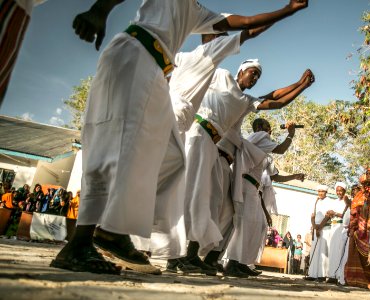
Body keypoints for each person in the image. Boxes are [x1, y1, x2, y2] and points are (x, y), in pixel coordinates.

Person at [51, 0, 310, 275]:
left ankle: (113, 233)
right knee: (115, 152)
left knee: (169, 165)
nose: (218, 35)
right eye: (252, 72)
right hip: (144, 69)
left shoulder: (197, 23)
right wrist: (99, 10)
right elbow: (247, 29)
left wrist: (289, 15)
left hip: (158, 87)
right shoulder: (210, 64)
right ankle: (110, 235)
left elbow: (246, 30)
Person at [172, 60, 313, 276]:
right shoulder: (223, 78)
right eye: (252, 72)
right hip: (202, 142)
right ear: (240, 71)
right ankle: (179, 256)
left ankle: (196, 256)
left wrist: (300, 85)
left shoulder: (244, 101)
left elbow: (274, 99)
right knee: (196, 200)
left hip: (220, 158)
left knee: (214, 207)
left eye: (258, 75)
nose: (254, 78)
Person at [223, 118, 306, 278]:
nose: (270, 129)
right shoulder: (260, 136)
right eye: (268, 126)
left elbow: (275, 176)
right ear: (260, 127)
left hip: (253, 188)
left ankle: (242, 262)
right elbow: (281, 149)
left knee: (259, 226)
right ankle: (232, 262)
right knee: (244, 226)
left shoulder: (258, 142)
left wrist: (294, 175)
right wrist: (291, 134)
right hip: (247, 185)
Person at [306, 184, 344, 282]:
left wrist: (320, 228)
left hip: (325, 228)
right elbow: (313, 215)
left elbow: (327, 216)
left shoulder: (330, 201)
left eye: (322, 191)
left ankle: (322, 275)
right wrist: (314, 227)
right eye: (319, 191)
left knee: (323, 252)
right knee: (314, 250)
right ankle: (312, 274)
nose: (320, 193)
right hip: (316, 228)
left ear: (326, 192)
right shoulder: (316, 201)